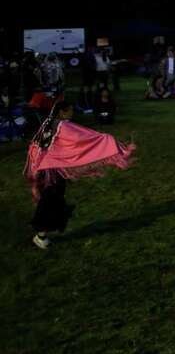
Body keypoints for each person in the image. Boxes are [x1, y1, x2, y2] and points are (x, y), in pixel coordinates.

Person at [25, 100, 136, 249]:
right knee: (51, 201)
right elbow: (81, 137)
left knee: (51, 200)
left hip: (45, 168)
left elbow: (37, 145)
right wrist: (105, 139)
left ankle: (41, 233)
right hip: (52, 170)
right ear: (61, 112)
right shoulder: (63, 126)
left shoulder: (48, 123)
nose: (72, 113)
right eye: (69, 110)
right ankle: (40, 235)